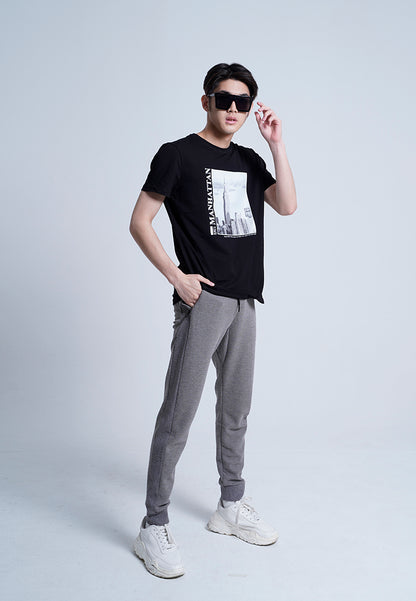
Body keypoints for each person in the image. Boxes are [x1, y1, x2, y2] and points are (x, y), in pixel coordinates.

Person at [129, 62, 297, 578]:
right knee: (178, 414)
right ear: (206, 101)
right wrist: (177, 277)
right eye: (224, 99)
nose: (233, 109)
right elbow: (140, 221)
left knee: (236, 409)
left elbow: (287, 205)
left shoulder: (248, 159)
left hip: (245, 300)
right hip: (203, 301)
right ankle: (153, 523)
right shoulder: (177, 154)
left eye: (243, 103)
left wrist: (276, 144)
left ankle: (230, 504)